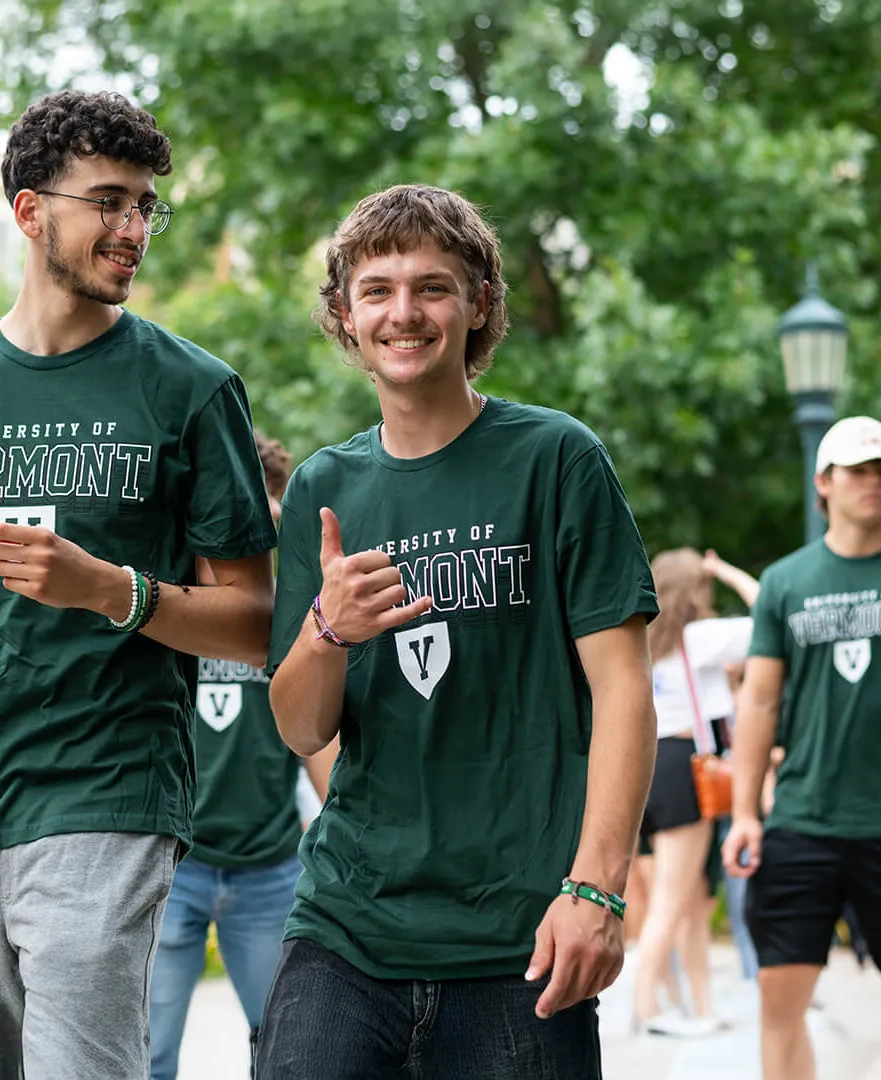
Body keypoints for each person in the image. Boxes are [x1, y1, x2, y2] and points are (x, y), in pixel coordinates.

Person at [0, 90, 276, 1080]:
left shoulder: (190, 389)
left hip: (108, 793)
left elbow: (256, 622)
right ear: (32, 212)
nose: (134, 231)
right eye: (110, 202)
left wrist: (112, 591)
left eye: (146, 208)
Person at [254, 183, 659, 1080]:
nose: (405, 312)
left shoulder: (556, 460)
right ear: (345, 314)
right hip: (346, 931)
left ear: (479, 304)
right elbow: (298, 727)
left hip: (518, 944)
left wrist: (597, 889)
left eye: (433, 287)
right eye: (378, 289)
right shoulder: (324, 488)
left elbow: (625, 688)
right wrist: (327, 629)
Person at [723, 415, 881, 1080]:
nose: (875, 482)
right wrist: (747, 811)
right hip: (804, 822)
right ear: (824, 483)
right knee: (781, 1005)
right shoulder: (786, 582)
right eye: (860, 471)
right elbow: (758, 701)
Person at [148, 430, 338, 1080]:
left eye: (267, 509)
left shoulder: (291, 606)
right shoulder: (158, 600)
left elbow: (317, 739)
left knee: (289, 1050)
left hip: (268, 864)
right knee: (145, 1055)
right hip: (173, 866)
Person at [632, 548, 758, 1036]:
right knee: (671, 899)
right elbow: (768, 609)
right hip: (684, 770)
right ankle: (648, 1009)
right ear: (695, 590)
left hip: (643, 771)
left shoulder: (642, 636)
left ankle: (697, 1004)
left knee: (687, 896)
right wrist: (725, 569)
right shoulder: (699, 638)